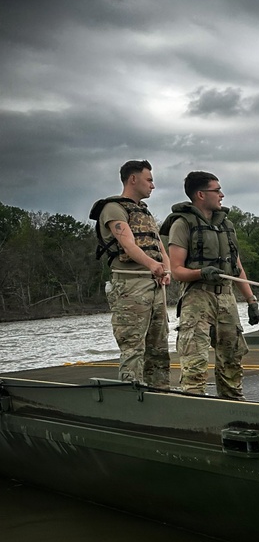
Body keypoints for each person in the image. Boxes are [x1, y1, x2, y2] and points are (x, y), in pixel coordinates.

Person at [161, 171, 259, 398]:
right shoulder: (182, 224)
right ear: (200, 194)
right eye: (216, 190)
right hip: (198, 299)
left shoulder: (226, 225)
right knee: (195, 363)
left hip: (226, 298)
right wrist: (201, 272)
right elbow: (176, 270)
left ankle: (233, 406)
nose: (221, 195)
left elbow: (236, 267)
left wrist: (251, 300)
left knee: (232, 360)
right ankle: (195, 411)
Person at [88, 159, 171, 388]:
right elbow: (128, 245)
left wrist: (167, 269)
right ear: (133, 179)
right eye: (149, 180)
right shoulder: (113, 209)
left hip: (154, 287)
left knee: (159, 348)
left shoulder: (144, 212)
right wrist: (152, 266)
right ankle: (132, 396)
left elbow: (159, 246)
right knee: (133, 347)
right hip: (130, 287)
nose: (152, 186)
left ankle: (160, 393)